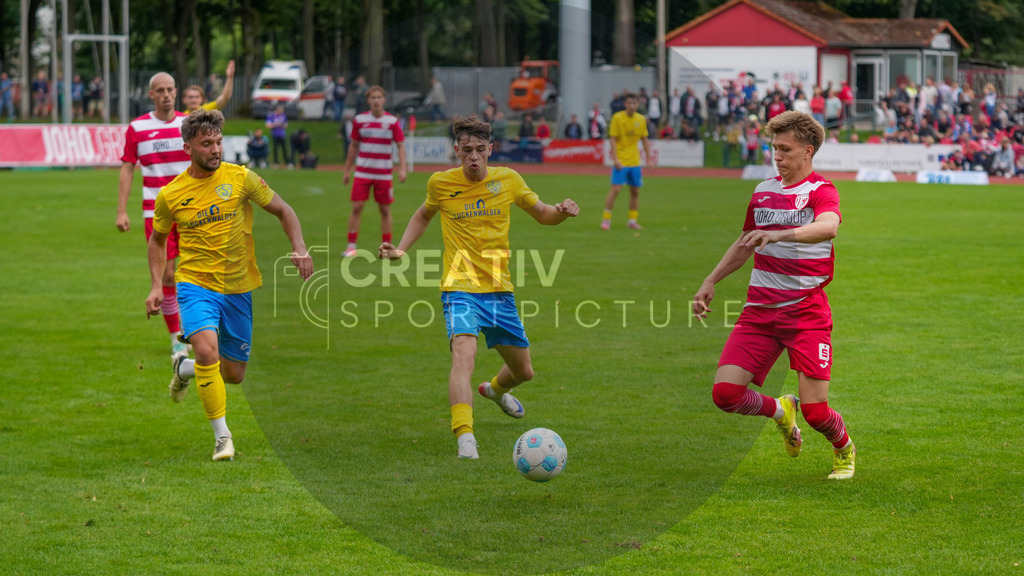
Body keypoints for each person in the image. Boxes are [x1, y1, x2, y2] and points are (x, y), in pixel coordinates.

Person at [377, 116, 579, 459]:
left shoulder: (509, 180)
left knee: (524, 372)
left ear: (490, 150)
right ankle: (465, 437)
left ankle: (496, 391)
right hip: (460, 288)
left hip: (500, 291)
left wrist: (562, 211)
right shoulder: (441, 184)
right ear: (456, 151)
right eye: (466, 150)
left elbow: (544, 213)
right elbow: (424, 215)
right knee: (463, 356)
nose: (473, 157)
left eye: (480, 150)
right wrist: (400, 249)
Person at [692, 110, 855, 481]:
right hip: (759, 314)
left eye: (785, 149)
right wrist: (711, 279)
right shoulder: (763, 191)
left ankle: (844, 448)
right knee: (725, 394)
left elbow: (829, 227)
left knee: (816, 413)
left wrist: (780, 234)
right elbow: (745, 241)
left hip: (806, 315)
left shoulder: (821, 191)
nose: (777, 157)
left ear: (808, 151)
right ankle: (781, 410)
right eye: (773, 148)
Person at [146, 108, 314, 461]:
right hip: (195, 285)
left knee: (233, 374)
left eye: (219, 142)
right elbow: (157, 240)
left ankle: (184, 369)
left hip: (238, 286)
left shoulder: (241, 178)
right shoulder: (171, 194)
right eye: (207, 144)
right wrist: (157, 286)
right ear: (188, 147)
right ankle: (222, 437)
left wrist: (299, 247)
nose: (215, 149)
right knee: (206, 350)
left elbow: (284, 210)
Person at [117, 72, 191, 362]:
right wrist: (122, 210)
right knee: (168, 274)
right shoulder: (137, 128)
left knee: (200, 272)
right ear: (151, 94)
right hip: (156, 212)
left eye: (170, 89)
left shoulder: (188, 125)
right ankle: (177, 339)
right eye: (160, 90)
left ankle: (202, 328)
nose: (166, 95)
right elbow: (127, 168)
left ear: (176, 91)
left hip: (192, 211)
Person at [342, 85, 408, 257]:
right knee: (357, 207)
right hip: (363, 172)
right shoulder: (359, 120)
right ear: (368, 100)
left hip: (384, 174)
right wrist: (347, 170)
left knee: (385, 210)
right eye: (373, 97)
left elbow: (400, 145)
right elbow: (354, 146)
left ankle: (386, 247)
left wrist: (402, 169)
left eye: (379, 97)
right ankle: (351, 246)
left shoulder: (392, 122)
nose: (376, 100)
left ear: (384, 100)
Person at [601, 92, 652, 230]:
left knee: (635, 191)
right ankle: (606, 220)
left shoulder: (641, 119)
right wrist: (615, 158)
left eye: (634, 103)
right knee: (616, 189)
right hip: (621, 161)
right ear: (625, 104)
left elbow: (644, 139)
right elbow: (612, 138)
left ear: (638, 104)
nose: (632, 106)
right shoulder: (617, 118)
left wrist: (649, 158)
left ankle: (632, 221)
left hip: (635, 161)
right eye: (629, 103)